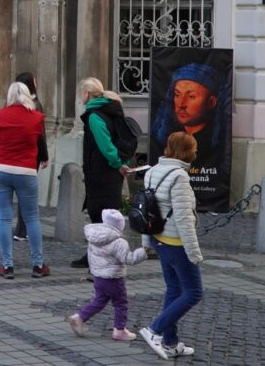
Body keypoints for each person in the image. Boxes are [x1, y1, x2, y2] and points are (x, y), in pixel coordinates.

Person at [139, 132, 203, 360]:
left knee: (174, 290)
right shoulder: (179, 177)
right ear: (186, 151)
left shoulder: (152, 171)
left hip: (160, 239)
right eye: (194, 148)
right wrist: (194, 253)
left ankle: (171, 342)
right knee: (194, 292)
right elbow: (184, 219)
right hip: (176, 242)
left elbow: (146, 209)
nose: (196, 152)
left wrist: (147, 243)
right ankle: (154, 329)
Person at [0, 81, 49, 280]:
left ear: (9, 95)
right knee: (32, 217)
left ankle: (7, 265)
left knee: (3, 217)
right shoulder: (37, 117)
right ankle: (38, 264)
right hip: (25, 170)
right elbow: (39, 141)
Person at [0, 72, 47, 240]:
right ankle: (23, 235)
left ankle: (6, 261)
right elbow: (40, 137)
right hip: (26, 163)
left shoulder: (0, 113)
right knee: (28, 205)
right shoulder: (36, 111)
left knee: (3, 214)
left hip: (1, 165)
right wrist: (44, 156)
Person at [72, 77, 131, 270]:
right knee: (100, 214)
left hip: (102, 172)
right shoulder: (106, 110)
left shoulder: (95, 115)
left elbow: (105, 145)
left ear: (87, 94)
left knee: (100, 215)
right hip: (105, 172)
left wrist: (118, 163)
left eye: (82, 92)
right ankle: (92, 254)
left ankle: (100, 259)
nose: (81, 96)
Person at [67, 208, 147, 341]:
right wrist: (144, 252)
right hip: (113, 278)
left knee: (100, 300)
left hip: (99, 276)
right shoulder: (118, 242)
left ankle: (79, 318)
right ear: (120, 226)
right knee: (121, 303)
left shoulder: (95, 237)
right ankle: (119, 330)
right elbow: (129, 259)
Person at [150, 63, 230, 171]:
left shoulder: (218, 143)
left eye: (191, 96)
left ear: (211, 102)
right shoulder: (164, 136)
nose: (181, 104)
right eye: (177, 95)